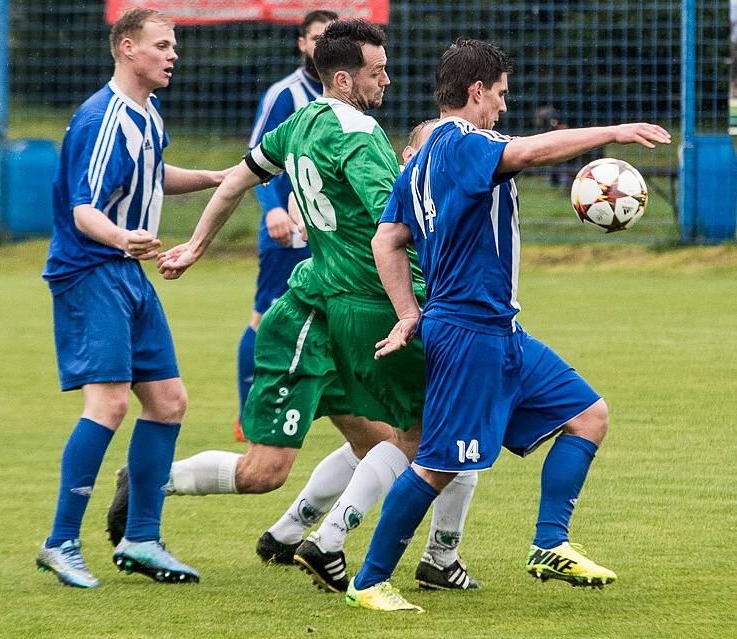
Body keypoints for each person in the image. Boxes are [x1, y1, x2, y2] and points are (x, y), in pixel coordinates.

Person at [345, 38, 671, 612]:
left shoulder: (420, 160)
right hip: (469, 333)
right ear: (476, 92)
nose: (502, 108)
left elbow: (386, 239)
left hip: (500, 330)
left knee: (588, 415)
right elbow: (531, 152)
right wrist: (612, 131)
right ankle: (369, 581)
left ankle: (550, 544)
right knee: (438, 464)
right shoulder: (463, 142)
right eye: (499, 95)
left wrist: (407, 314)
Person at [154, 20, 480, 595]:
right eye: (377, 70)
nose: (387, 79)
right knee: (436, 434)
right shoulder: (359, 135)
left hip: (325, 304)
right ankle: (351, 545)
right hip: (362, 305)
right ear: (343, 77)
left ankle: (292, 533)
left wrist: (196, 247)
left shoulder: (301, 123)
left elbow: (235, 182)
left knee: (371, 442)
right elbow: (399, 224)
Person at [35, 7, 228, 589]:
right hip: (92, 269)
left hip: (126, 274)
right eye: (162, 45)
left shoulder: (147, 114)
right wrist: (124, 237)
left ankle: (141, 538)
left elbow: (154, 174)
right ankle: (60, 541)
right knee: (110, 405)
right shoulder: (103, 117)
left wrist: (221, 178)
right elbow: (82, 207)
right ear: (126, 48)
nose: (173, 55)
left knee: (168, 402)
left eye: (174, 46)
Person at [234, 10, 337, 442]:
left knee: (332, 318)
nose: (322, 45)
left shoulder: (345, 97)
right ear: (302, 43)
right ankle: (247, 414)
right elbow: (256, 159)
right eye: (316, 38)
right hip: (289, 229)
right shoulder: (285, 95)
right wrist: (273, 210)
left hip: (329, 231)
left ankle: (330, 406)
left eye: (331, 38)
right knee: (266, 316)